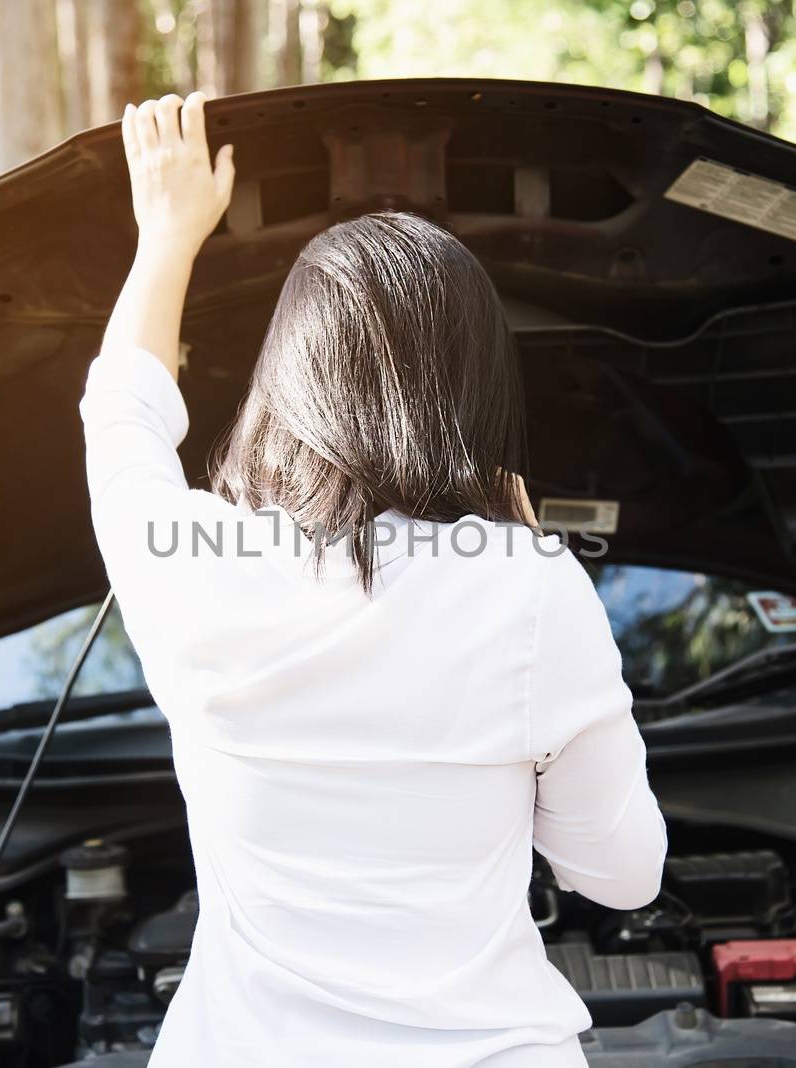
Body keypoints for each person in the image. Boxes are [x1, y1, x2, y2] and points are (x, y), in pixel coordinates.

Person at [79, 91, 667, 1068]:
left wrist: (167, 236)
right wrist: (521, 550)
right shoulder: (529, 591)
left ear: (290, 374)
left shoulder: (190, 570)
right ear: (473, 386)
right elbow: (622, 876)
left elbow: (121, 420)